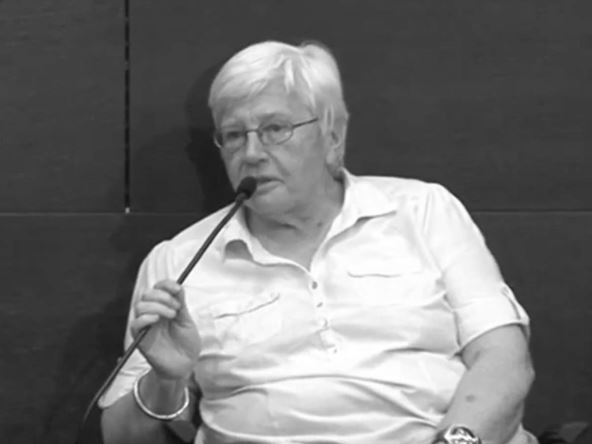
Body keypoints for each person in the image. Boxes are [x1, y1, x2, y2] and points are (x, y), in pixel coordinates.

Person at [100, 40, 537, 444]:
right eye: (234, 135)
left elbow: (503, 358)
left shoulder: (424, 211)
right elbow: (121, 438)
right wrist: (165, 382)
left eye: (275, 128)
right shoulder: (178, 263)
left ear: (332, 137)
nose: (251, 153)